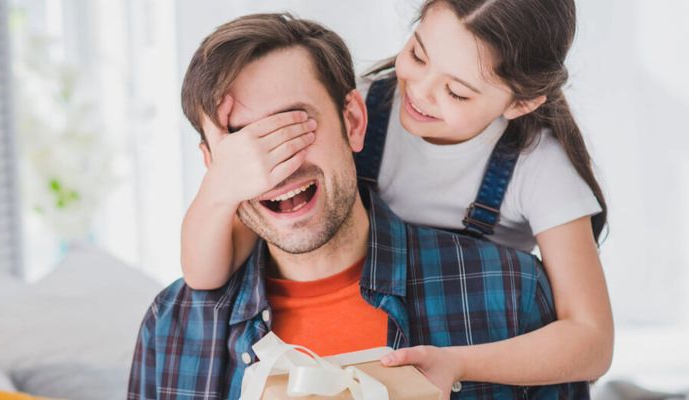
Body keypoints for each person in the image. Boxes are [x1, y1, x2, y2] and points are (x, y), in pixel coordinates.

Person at [130, 13, 590, 399]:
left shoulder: (513, 296)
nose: (277, 167)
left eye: (293, 128)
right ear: (213, 164)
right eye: (245, 145)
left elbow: (591, 338)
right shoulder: (172, 327)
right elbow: (201, 272)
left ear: (353, 120)